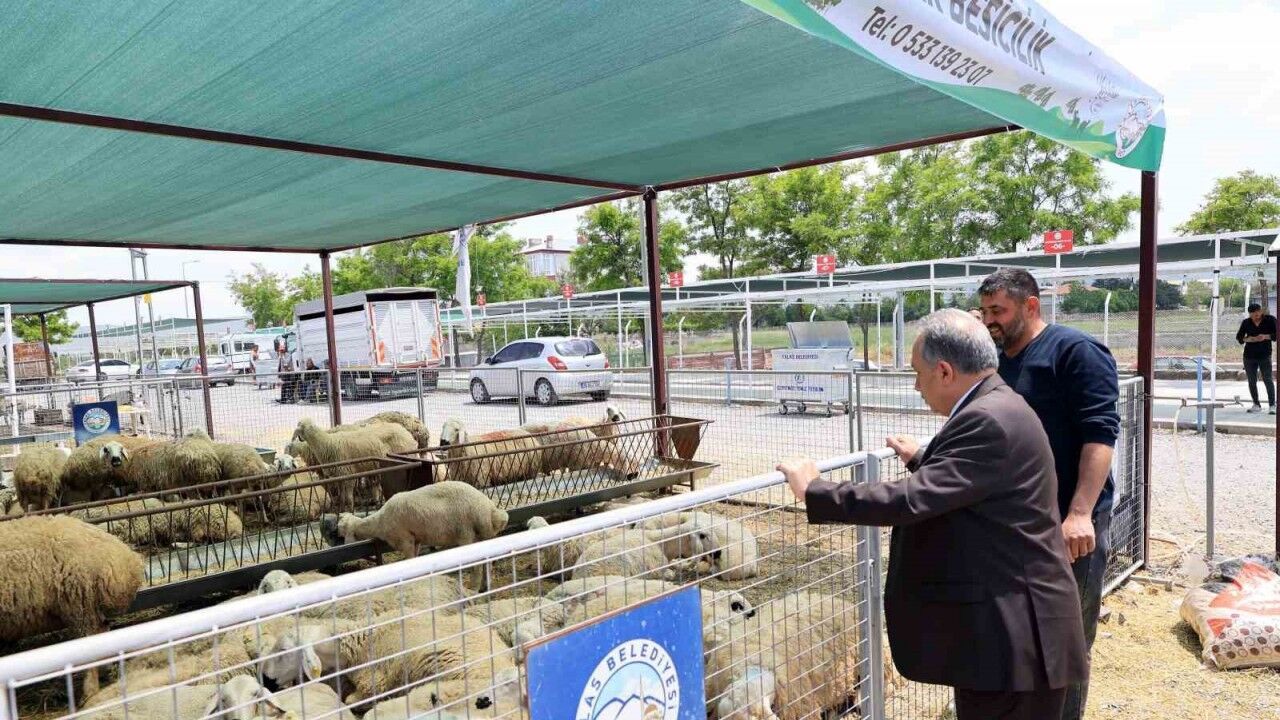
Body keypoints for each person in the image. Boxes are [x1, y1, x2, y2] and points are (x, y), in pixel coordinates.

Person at [777, 309, 1086, 720]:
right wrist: (922, 458)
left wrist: (815, 490)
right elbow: (974, 484)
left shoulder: (987, 419)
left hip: (1016, 642)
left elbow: (910, 500)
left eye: (917, 373)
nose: (916, 385)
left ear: (944, 371)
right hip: (1012, 635)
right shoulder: (998, 404)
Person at [977, 268, 1119, 720]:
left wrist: (1080, 514)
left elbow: (1100, 435)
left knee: (1066, 639)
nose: (989, 320)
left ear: (1031, 305)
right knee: (1020, 631)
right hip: (1017, 525)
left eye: (998, 310)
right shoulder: (996, 362)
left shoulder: (1074, 352)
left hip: (1067, 526)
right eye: (984, 311)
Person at [1235, 302, 1276, 414]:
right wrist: (1250, 339)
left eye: (1258, 312)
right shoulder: (1246, 322)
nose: (1256, 315)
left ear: (1261, 311)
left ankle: (1272, 405)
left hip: (1265, 355)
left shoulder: (1270, 320)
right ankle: (1256, 404)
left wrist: (1265, 336)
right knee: (1252, 381)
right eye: (1253, 314)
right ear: (1250, 314)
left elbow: (1276, 335)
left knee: (1268, 379)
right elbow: (1239, 337)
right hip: (1249, 356)